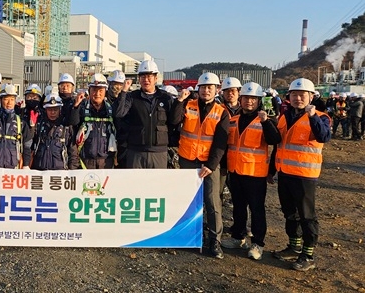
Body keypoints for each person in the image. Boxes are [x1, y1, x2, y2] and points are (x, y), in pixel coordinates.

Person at [270, 78, 331, 272]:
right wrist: (271, 171)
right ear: (289, 96)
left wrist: (312, 117)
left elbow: (324, 136)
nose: (298, 98)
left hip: (305, 175)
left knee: (307, 215)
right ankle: (294, 246)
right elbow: (278, 145)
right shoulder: (284, 117)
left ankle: (308, 254)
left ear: (311, 96)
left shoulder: (321, 117)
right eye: (294, 94)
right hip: (285, 173)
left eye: (302, 94)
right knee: (289, 212)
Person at [171, 72, 230, 259]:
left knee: (212, 202)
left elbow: (221, 143)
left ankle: (215, 240)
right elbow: (174, 121)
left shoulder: (221, 112)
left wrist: (211, 165)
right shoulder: (188, 105)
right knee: (188, 200)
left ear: (216, 90)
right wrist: (179, 101)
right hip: (188, 159)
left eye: (210, 87)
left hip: (208, 164)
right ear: (198, 89)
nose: (206, 91)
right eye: (203, 87)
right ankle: (189, 236)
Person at [221, 83, 281, 261]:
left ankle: (257, 243)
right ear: (241, 99)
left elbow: (274, 140)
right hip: (236, 171)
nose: (249, 101)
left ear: (259, 101)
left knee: (256, 209)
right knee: (238, 207)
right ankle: (238, 237)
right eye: (246, 98)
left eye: (253, 98)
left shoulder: (265, 120)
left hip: (255, 173)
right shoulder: (234, 120)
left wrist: (266, 122)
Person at [113, 60, 176, 169]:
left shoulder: (166, 98)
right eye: (143, 76)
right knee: (135, 180)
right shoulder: (132, 97)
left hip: (159, 152)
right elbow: (119, 113)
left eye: (149, 76)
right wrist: (123, 92)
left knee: (158, 180)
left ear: (156, 78)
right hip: (136, 152)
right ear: (139, 79)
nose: (146, 80)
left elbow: (173, 121)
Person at [71, 73, 116, 169]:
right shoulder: (82, 107)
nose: (97, 94)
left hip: (107, 161)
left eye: (100, 90)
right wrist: (75, 107)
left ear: (105, 91)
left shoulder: (111, 108)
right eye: (94, 90)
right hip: (86, 160)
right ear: (89, 91)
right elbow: (73, 123)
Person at [0, 84, 31, 168]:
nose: (9, 103)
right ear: (0, 100)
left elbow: (27, 145)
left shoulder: (21, 122)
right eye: (6, 99)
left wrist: (26, 165)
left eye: (12, 99)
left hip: (13, 168)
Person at [31, 94, 79, 170]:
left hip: (60, 173)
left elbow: (73, 154)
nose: (52, 112)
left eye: (55, 109)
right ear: (45, 110)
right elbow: (30, 148)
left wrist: (72, 172)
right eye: (49, 109)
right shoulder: (38, 126)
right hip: (39, 172)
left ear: (60, 109)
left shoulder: (66, 128)